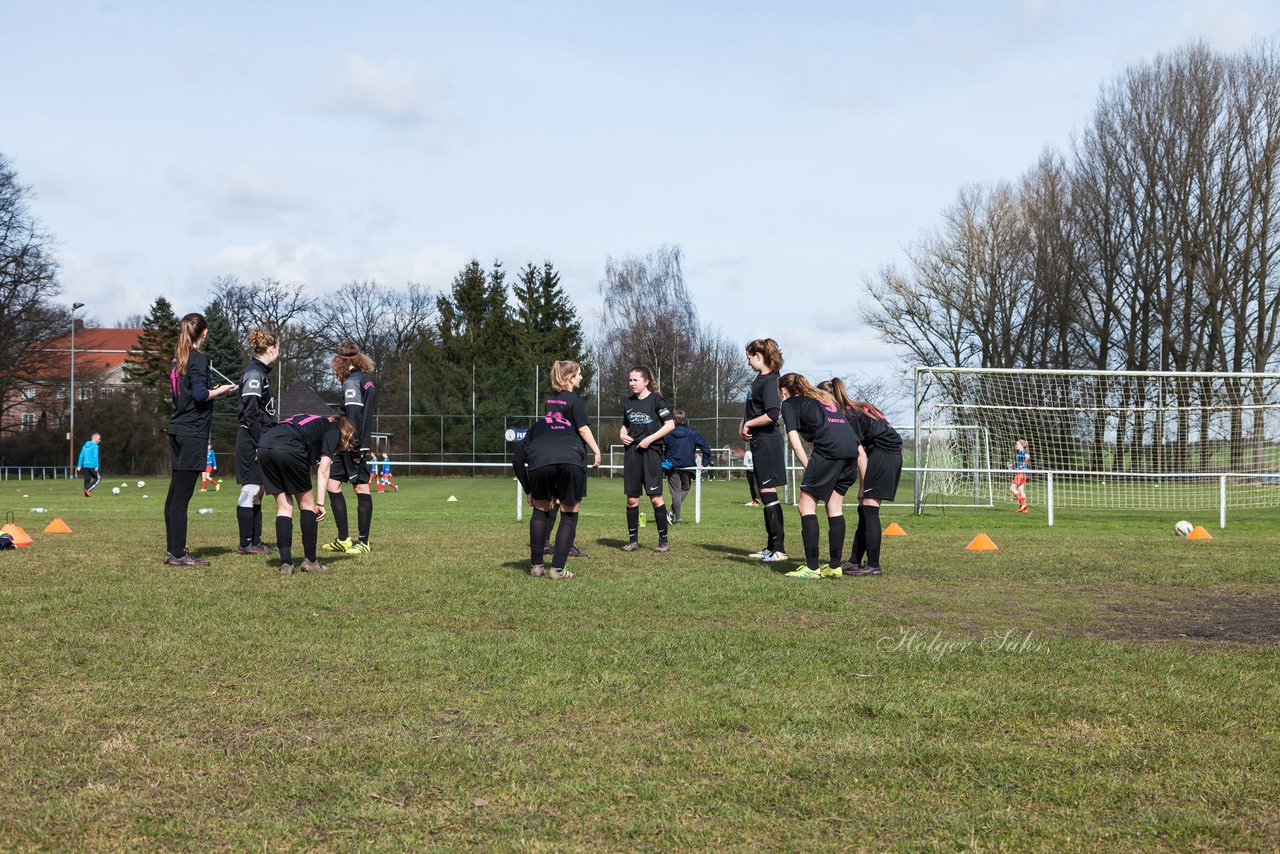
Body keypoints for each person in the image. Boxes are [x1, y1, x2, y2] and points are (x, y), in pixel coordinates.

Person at [163, 312, 238, 567]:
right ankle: (179, 554)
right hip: (192, 432)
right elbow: (199, 394)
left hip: (177, 429)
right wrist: (221, 390)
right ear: (204, 333)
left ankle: (172, 549)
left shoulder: (178, 361)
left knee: (174, 495)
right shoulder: (198, 360)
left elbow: (181, 397)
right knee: (181, 498)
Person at [777, 373, 865, 579]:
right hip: (851, 451)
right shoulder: (822, 398)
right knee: (834, 506)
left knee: (805, 505)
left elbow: (795, 442)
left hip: (829, 451)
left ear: (783, 390)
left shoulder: (789, 403)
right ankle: (834, 566)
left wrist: (809, 467)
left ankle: (812, 567)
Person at [821, 378, 903, 577]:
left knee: (869, 509)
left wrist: (863, 486)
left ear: (827, 399)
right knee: (865, 511)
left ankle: (873, 565)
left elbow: (860, 454)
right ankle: (854, 560)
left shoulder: (847, 415)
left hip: (883, 456)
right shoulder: (859, 407)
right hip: (887, 454)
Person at [257, 414, 356, 575]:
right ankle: (310, 561)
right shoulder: (333, 429)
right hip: (288, 447)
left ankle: (286, 563)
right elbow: (323, 470)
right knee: (308, 506)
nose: (347, 446)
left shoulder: (312, 421)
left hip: (263, 447)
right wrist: (321, 503)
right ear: (344, 433)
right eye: (348, 442)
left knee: (284, 507)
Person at [513, 406, 598, 579]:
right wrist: (565, 490)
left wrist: (529, 490)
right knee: (569, 515)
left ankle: (536, 567)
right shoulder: (571, 428)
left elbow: (517, 459)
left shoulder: (537, 426)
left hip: (540, 461)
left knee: (540, 511)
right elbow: (579, 454)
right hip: (573, 460)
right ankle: (557, 569)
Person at [540, 360, 601, 558]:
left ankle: (544, 543)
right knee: (571, 502)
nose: (581, 378)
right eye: (579, 374)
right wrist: (596, 450)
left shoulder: (551, 399)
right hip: (572, 456)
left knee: (555, 500)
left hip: (552, 454)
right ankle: (565, 546)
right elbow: (583, 429)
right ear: (570, 378)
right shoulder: (573, 400)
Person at [321, 341, 377, 555]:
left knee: (361, 488)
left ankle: (363, 542)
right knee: (332, 485)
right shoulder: (365, 380)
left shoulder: (352, 382)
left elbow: (354, 416)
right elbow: (354, 414)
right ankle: (343, 539)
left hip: (353, 445)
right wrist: (337, 419)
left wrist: (356, 449)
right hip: (347, 444)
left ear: (340, 362)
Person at [740, 338, 787, 562]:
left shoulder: (770, 381)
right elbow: (752, 410)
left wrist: (750, 424)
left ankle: (779, 549)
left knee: (768, 494)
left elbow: (772, 414)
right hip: (758, 442)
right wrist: (744, 424)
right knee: (764, 493)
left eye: (749, 356)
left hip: (768, 442)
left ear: (759, 356)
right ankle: (770, 547)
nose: (748, 361)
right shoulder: (758, 379)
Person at [234, 328, 280, 555]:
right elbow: (251, 413)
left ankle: (256, 540)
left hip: (260, 437)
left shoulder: (261, 373)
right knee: (250, 489)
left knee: (259, 490)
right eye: (278, 348)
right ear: (271, 348)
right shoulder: (254, 373)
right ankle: (246, 543)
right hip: (252, 438)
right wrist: (259, 443)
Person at [620, 365, 675, 553]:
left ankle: (663, 541)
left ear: (646, 382)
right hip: (632, 454)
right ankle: (633, 541)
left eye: (635, 380)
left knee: (655, 498)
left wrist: (649, 439)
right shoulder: (628, 402)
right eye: (630, 380)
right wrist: (622, 435)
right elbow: (625, 426)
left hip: (651, 453)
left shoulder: (657, 401)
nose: (632, 383)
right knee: (632, 499)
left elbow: (670, 425)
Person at [662, 410, 711, 525]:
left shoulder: (667, 432)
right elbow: (706, 448)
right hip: (687, 465)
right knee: (684, 489)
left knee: (676, 491)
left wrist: (664, 461)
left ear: (673, 420)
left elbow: (658, 448)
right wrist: (705, 462)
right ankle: (677, 518)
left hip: (672, 465)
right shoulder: (693, 432)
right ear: (685, 420)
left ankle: (672, 513)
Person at [77, 432, 101, 497]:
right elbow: (95, 456)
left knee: (87, 480)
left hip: (85, 466)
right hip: (92, 465)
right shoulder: (95, 446)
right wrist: (96, 465)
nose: (99, 440)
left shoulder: (84, 446)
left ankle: (87, 494)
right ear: (95, 438)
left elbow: (81, 456)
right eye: (99, 439)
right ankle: (87, 489)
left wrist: (79, 465)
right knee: (98, 479)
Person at [1012, 439, 1030, 512]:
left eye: (1017, 444)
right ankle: (1025, 509)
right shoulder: (1019, 453)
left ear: (1022, 445)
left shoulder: (1023, 452)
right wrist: (1013, 465)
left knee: (1012, 488)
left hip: (1021, 473)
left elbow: (1027, 457)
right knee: (1021, 490)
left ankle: (1023, 503)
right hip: (1023, 473)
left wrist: (1022, 465)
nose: (1016, 445)